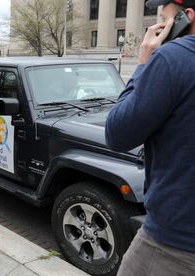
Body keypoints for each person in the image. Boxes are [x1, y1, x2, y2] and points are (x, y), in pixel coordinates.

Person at [105, 1, 195, 275]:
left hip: (174, 243)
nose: (158, 28)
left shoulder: (173, 57)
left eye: (164, 19)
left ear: (186, 16)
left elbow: (117, 134)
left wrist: (145, 61)